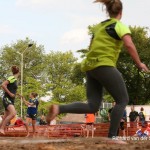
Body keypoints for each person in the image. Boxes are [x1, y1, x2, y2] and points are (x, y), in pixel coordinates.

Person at [46, 0, 149, 141]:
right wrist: (139, 63)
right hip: (104, 65)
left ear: (107, 11)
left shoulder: (98, 27)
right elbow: (129, 44)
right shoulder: (119, 25)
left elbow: (91, 47)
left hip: (90, 67)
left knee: (92, 105)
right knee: (122, 100)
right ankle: (112, 136)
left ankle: (59, 108)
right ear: (121, 12)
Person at [0, 65, 20, 135]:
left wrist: (16, 94)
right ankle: (2, 128)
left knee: (5, 116)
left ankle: (0, 130)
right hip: (7, 98)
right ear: (19, 72)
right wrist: (10, 93)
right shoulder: (12, 78)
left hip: (11, 100)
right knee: (13, 113)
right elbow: (3, 85)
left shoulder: (15, 80)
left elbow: (12, 89)